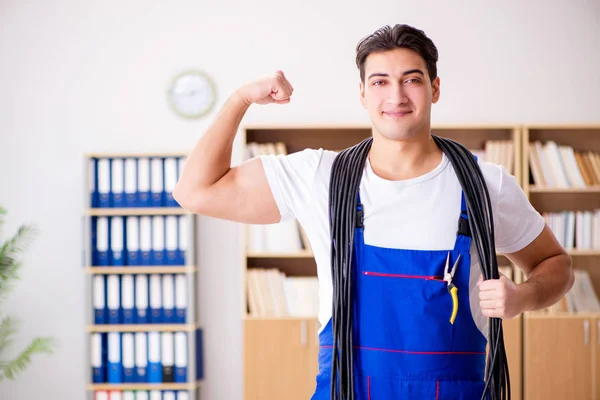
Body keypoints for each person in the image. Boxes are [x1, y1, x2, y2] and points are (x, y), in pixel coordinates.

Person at [173, 24, 574, 399]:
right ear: (363, 93)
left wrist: (522, 296)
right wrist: (240, 99)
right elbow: (195, 191)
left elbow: (556, 265)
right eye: (380, 82)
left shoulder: (485, 184)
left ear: (434, 89)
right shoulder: (319, 177)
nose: (396, 96)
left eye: (411, 80)